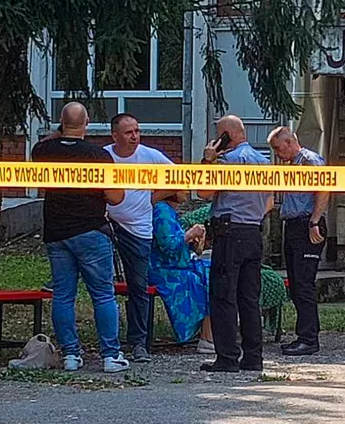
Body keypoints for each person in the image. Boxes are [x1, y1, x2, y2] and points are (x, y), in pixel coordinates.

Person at [31, 102, 130, 373]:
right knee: (102, 295)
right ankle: (110, 356)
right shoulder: (97, 155)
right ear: (87, 122)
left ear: (61, 123)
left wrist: (60, 132)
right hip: (90, 232)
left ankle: (71, 356)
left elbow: (47, 148)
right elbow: (115, 196)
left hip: (56, 233)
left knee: (63, 296)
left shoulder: (42, 151)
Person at [197, 115, 273, 372]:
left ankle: (227, 357)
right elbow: (269, 202)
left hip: (229, 234)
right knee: (249, 298)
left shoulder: (227, 161)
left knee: (223, 296)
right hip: (253, 232)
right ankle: (253, 358)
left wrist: (208, 159)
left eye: (219, 135)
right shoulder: (263, 161)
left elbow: (203, 192)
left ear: (226, 135)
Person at [104, 113, 174, 362]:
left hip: (139, 230)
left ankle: (138, 343)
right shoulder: (105, 157)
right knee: (101, 286)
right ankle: (107, 343)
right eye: (128, 132)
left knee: (138, 287)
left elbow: (179, 180)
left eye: (136, 131)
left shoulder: (150, 156)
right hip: (107, 225)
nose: (134, 136)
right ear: (115, 136)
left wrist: (152, 198)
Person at [267, 126, 328, 356]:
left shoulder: (310, 161)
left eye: (277, 148)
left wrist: (315, 221)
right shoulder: (292, 166)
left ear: (289, 142)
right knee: (296, 285)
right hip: (293, 226)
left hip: (307, 226)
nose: (276, 153)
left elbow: (324, 189)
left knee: (303, 284)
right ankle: (305, 334)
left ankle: (309, 339)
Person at [147, 191, 214, 352]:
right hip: (163, 270)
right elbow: (168, 245)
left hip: (175, 265)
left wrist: (194, 242)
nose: (187, 190)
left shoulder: (169, 211)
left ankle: (208, 334)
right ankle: (207, 336)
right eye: (182, 187)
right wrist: (190, 233)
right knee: (211, 275)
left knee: (215, 271)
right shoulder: (161, 211)